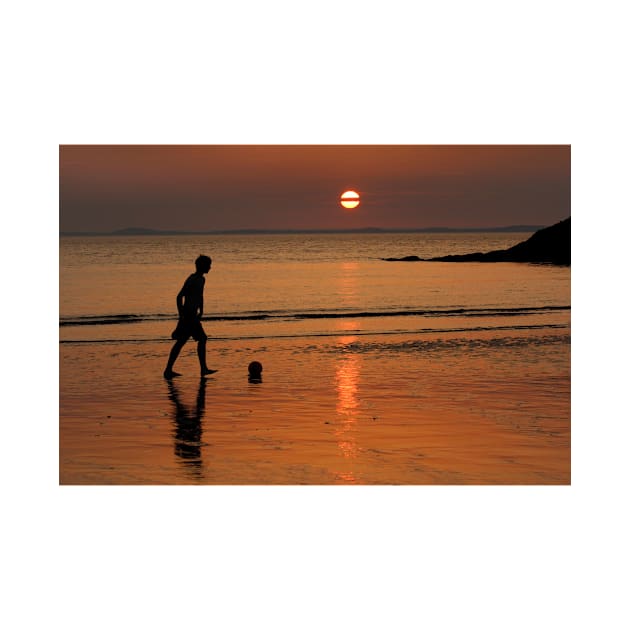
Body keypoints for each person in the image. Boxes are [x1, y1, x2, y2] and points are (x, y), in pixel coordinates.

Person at [164, 255, 217, 379]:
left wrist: (201, 310)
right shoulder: (192, 279)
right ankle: (203, 369)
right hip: (188, 316)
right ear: (202, 266)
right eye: (208, 265)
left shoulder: (202, 279)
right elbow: (179, 296)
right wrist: (181, 315)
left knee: (182, 341)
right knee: (201, 339)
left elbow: (200, 295)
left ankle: (168, 370)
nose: (210, 267)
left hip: (193, 316)